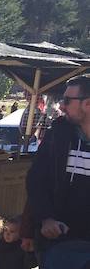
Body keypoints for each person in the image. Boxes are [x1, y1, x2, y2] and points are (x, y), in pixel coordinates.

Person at [25, 75, 90, 245]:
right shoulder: (57, 134)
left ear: (88, 104)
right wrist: (46, 218)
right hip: (57, 240)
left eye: (67, 100)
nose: (61, 105)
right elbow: (36, 179)